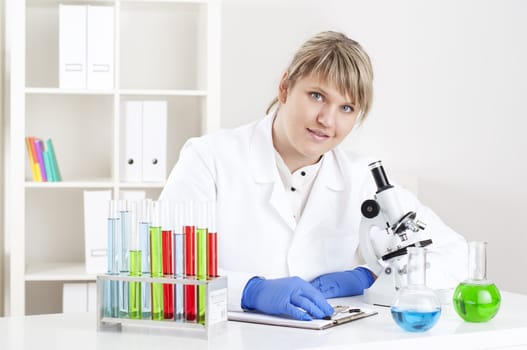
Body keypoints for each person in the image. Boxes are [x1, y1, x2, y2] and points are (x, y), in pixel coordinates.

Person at [159, 31, 467, 321]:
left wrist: (368, 276)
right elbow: (163, 267)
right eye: (317, 96)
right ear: (284, 87)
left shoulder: (362, 177)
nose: (326, 120)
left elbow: (454, 253)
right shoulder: (209, 158)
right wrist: (249, 291)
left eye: (346, 108)